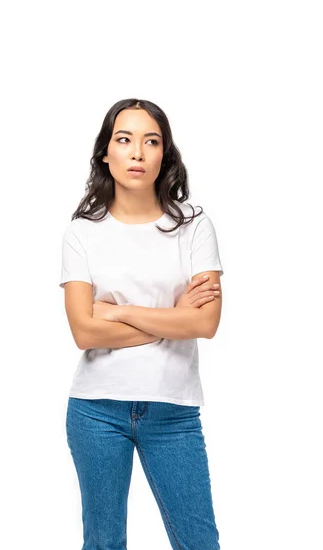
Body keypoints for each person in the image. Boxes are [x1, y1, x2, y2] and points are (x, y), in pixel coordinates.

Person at [59, 98, 224, 550]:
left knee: (199, 541)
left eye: (151, 141)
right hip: (96, 409)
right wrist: (173, 319)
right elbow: (84, 332)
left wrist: (118, 310)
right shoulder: (82, 232)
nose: (137, 152)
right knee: (104, 543)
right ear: (105, 153)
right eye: (124, 139)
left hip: (173, 413)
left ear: (164, 154)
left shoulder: (193, 225)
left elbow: (206, 321)